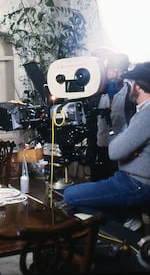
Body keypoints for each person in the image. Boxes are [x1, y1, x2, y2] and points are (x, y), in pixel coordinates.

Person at [64, 62, 150, 230]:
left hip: (136, 184)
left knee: (70, 196)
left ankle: (126, 220)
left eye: (131, 83)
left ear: (138, 86)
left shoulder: (146, 114)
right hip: (130, 179)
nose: (130, 87)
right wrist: (131, 148)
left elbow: (114, 150)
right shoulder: (142, 112)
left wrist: (128, 146)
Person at [86, 53, 132, 180]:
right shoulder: (97, 92)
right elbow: (91, 121)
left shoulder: (130, 94)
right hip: (100, 147)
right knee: (98, 180)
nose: (116, 75)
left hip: (121, 148)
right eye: (112, 70)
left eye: (120, 71)